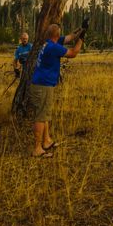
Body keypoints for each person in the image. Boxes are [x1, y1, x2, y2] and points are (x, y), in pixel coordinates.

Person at [29, 23, 85, 158]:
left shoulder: (49, 43)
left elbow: (69, 38)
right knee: (41, 116)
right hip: (42, 86)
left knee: (45, 114)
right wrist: (82, 38)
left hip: (43, 84)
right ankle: (37, 148)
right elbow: (73, 53)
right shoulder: (53, 48)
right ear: (57, 35)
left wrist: (81, 28)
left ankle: (46, 141)